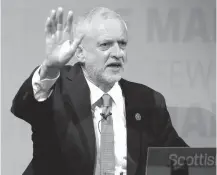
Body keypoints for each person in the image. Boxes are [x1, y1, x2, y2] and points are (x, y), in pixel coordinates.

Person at [11, 6, 188, 175]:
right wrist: (49, 68)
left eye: (122, 44)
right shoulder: (57, 86)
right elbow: (24, 107)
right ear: (80, 53)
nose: (118, 53)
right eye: (105, 45)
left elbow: (179, 161)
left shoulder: (148, 100)